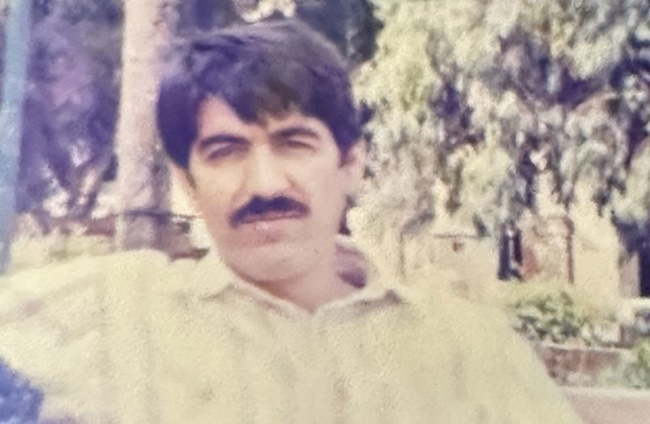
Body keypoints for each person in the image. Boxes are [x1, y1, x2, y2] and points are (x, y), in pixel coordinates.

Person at [0, 19, 583, 424]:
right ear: (188, 183)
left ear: (350, 163)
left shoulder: (471, 348)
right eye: (225, 151)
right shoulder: (115, 312)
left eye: (294, 143)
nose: (265, 184)